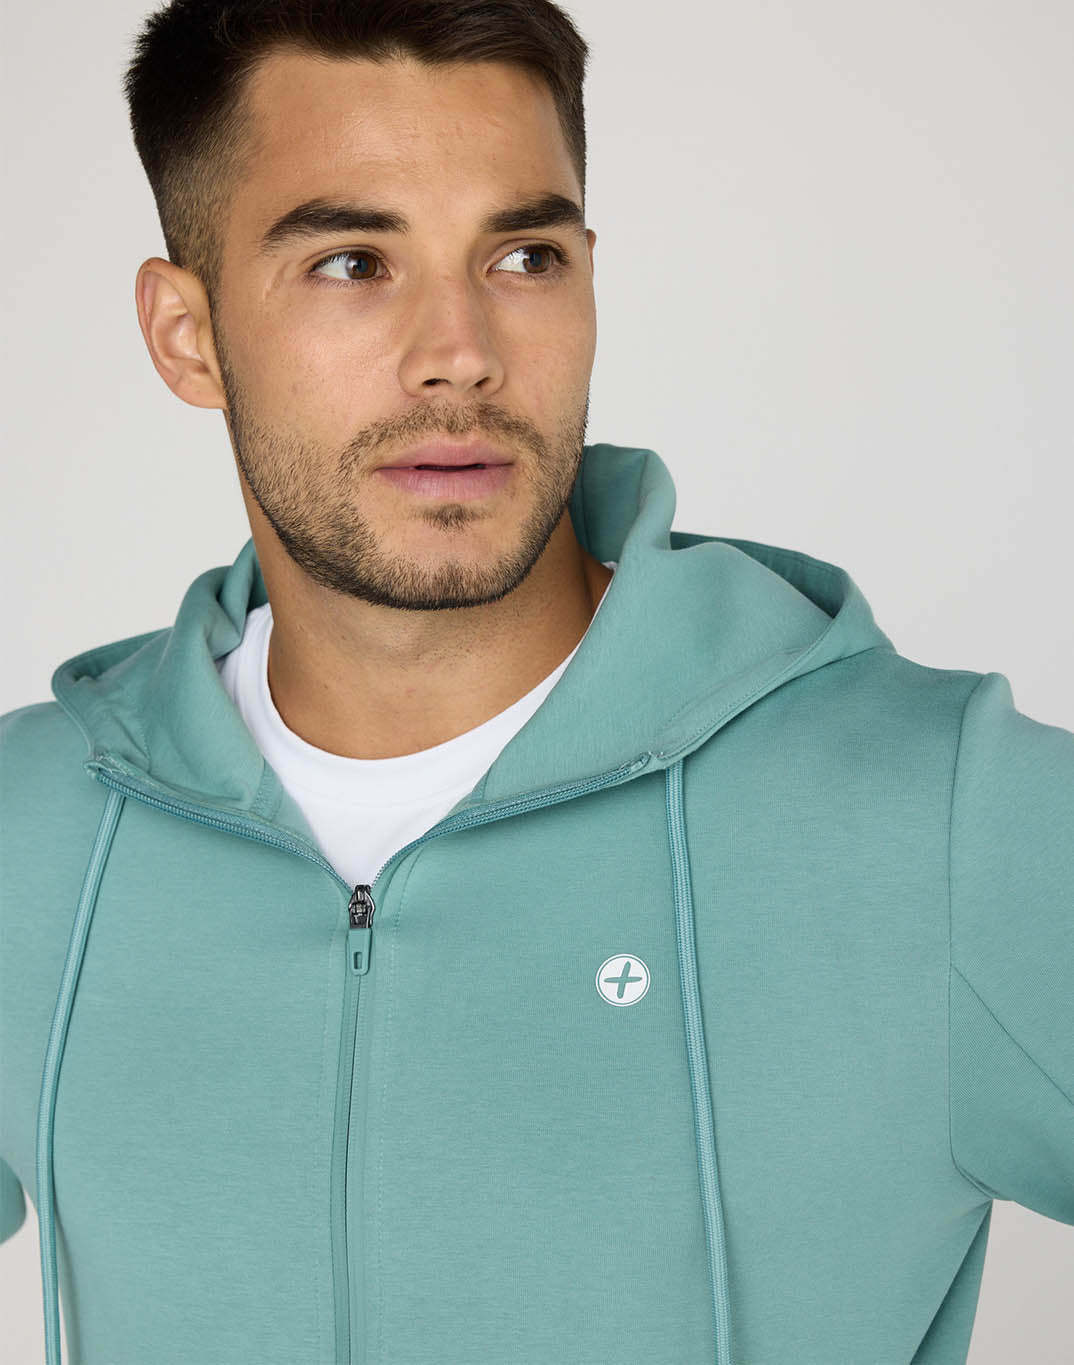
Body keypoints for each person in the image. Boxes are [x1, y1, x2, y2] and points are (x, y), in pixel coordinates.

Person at [1, 3, 1071, 1363]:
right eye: (351, 262)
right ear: (187, 335)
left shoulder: (940, 818)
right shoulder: (34, 830)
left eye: (523, 256)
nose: (461, 349)